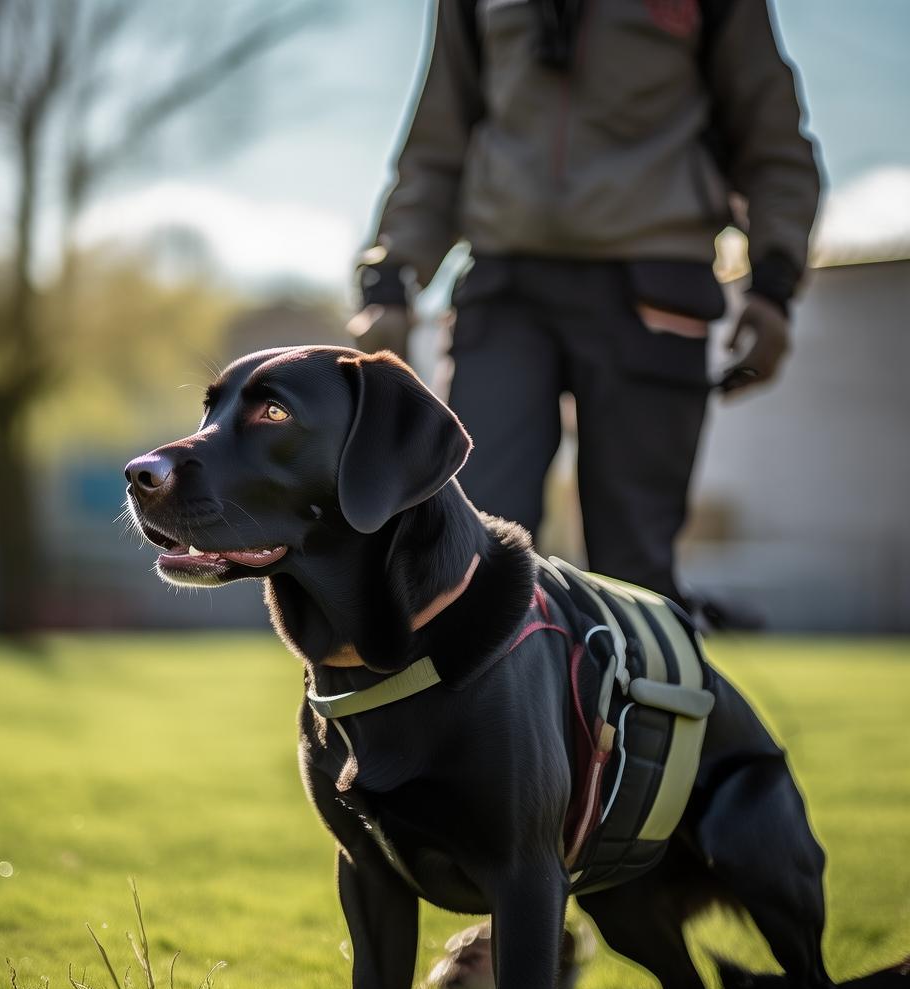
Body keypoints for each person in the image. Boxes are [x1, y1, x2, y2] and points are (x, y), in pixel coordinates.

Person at [349, 0, 819, 607]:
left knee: (634, 576)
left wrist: (775, 285)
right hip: (504, 287)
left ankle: (637, 701)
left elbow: (771, 135)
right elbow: (439, 137)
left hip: (655, 290)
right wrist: (393, 274)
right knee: (465, 550)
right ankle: (489, 703)